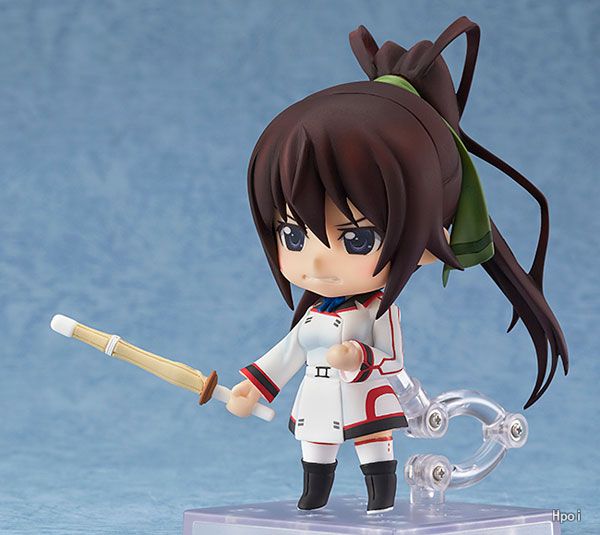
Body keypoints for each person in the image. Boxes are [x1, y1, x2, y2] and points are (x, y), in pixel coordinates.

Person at [226, 16, 568, 514]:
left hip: (368, 395)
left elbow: (392, 360)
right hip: (319, 398)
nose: (315, 258)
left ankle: (380, 502)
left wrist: (359, 358)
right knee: (315, 446)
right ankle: (314, 495)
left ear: (428, 243)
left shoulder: (377, 314)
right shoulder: (313, 318)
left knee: (374, 449)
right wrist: (251, 387)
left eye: (357, 238)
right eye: (292, 235)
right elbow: (285, 354)